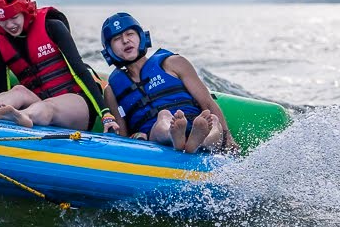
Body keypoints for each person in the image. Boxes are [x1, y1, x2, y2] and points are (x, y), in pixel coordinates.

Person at [0, 0, 117, 132]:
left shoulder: (52, 27)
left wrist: (105, 114)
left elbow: (80, 71)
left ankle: (22, 115)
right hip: (38, 103)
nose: (9, 25)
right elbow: (4, 87)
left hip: (76, 106)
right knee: (18, 91)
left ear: (24, 10)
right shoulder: (0, 44)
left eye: (14, 17)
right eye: (3, 20)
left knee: (47, 106)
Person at [100, 12, 239, 153]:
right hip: (157, 135)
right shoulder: (111, 91)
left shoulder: (173, 63)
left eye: (130, 34)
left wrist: (229, 139)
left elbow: (207, 102)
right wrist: (135, 136)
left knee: (213, 120)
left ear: (141, 36)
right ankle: (176, 136)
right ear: (109, 50)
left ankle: (199, 140)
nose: (125, 41)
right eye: (117, 39)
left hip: (195, 122)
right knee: (164, 116)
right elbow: (122, 133)